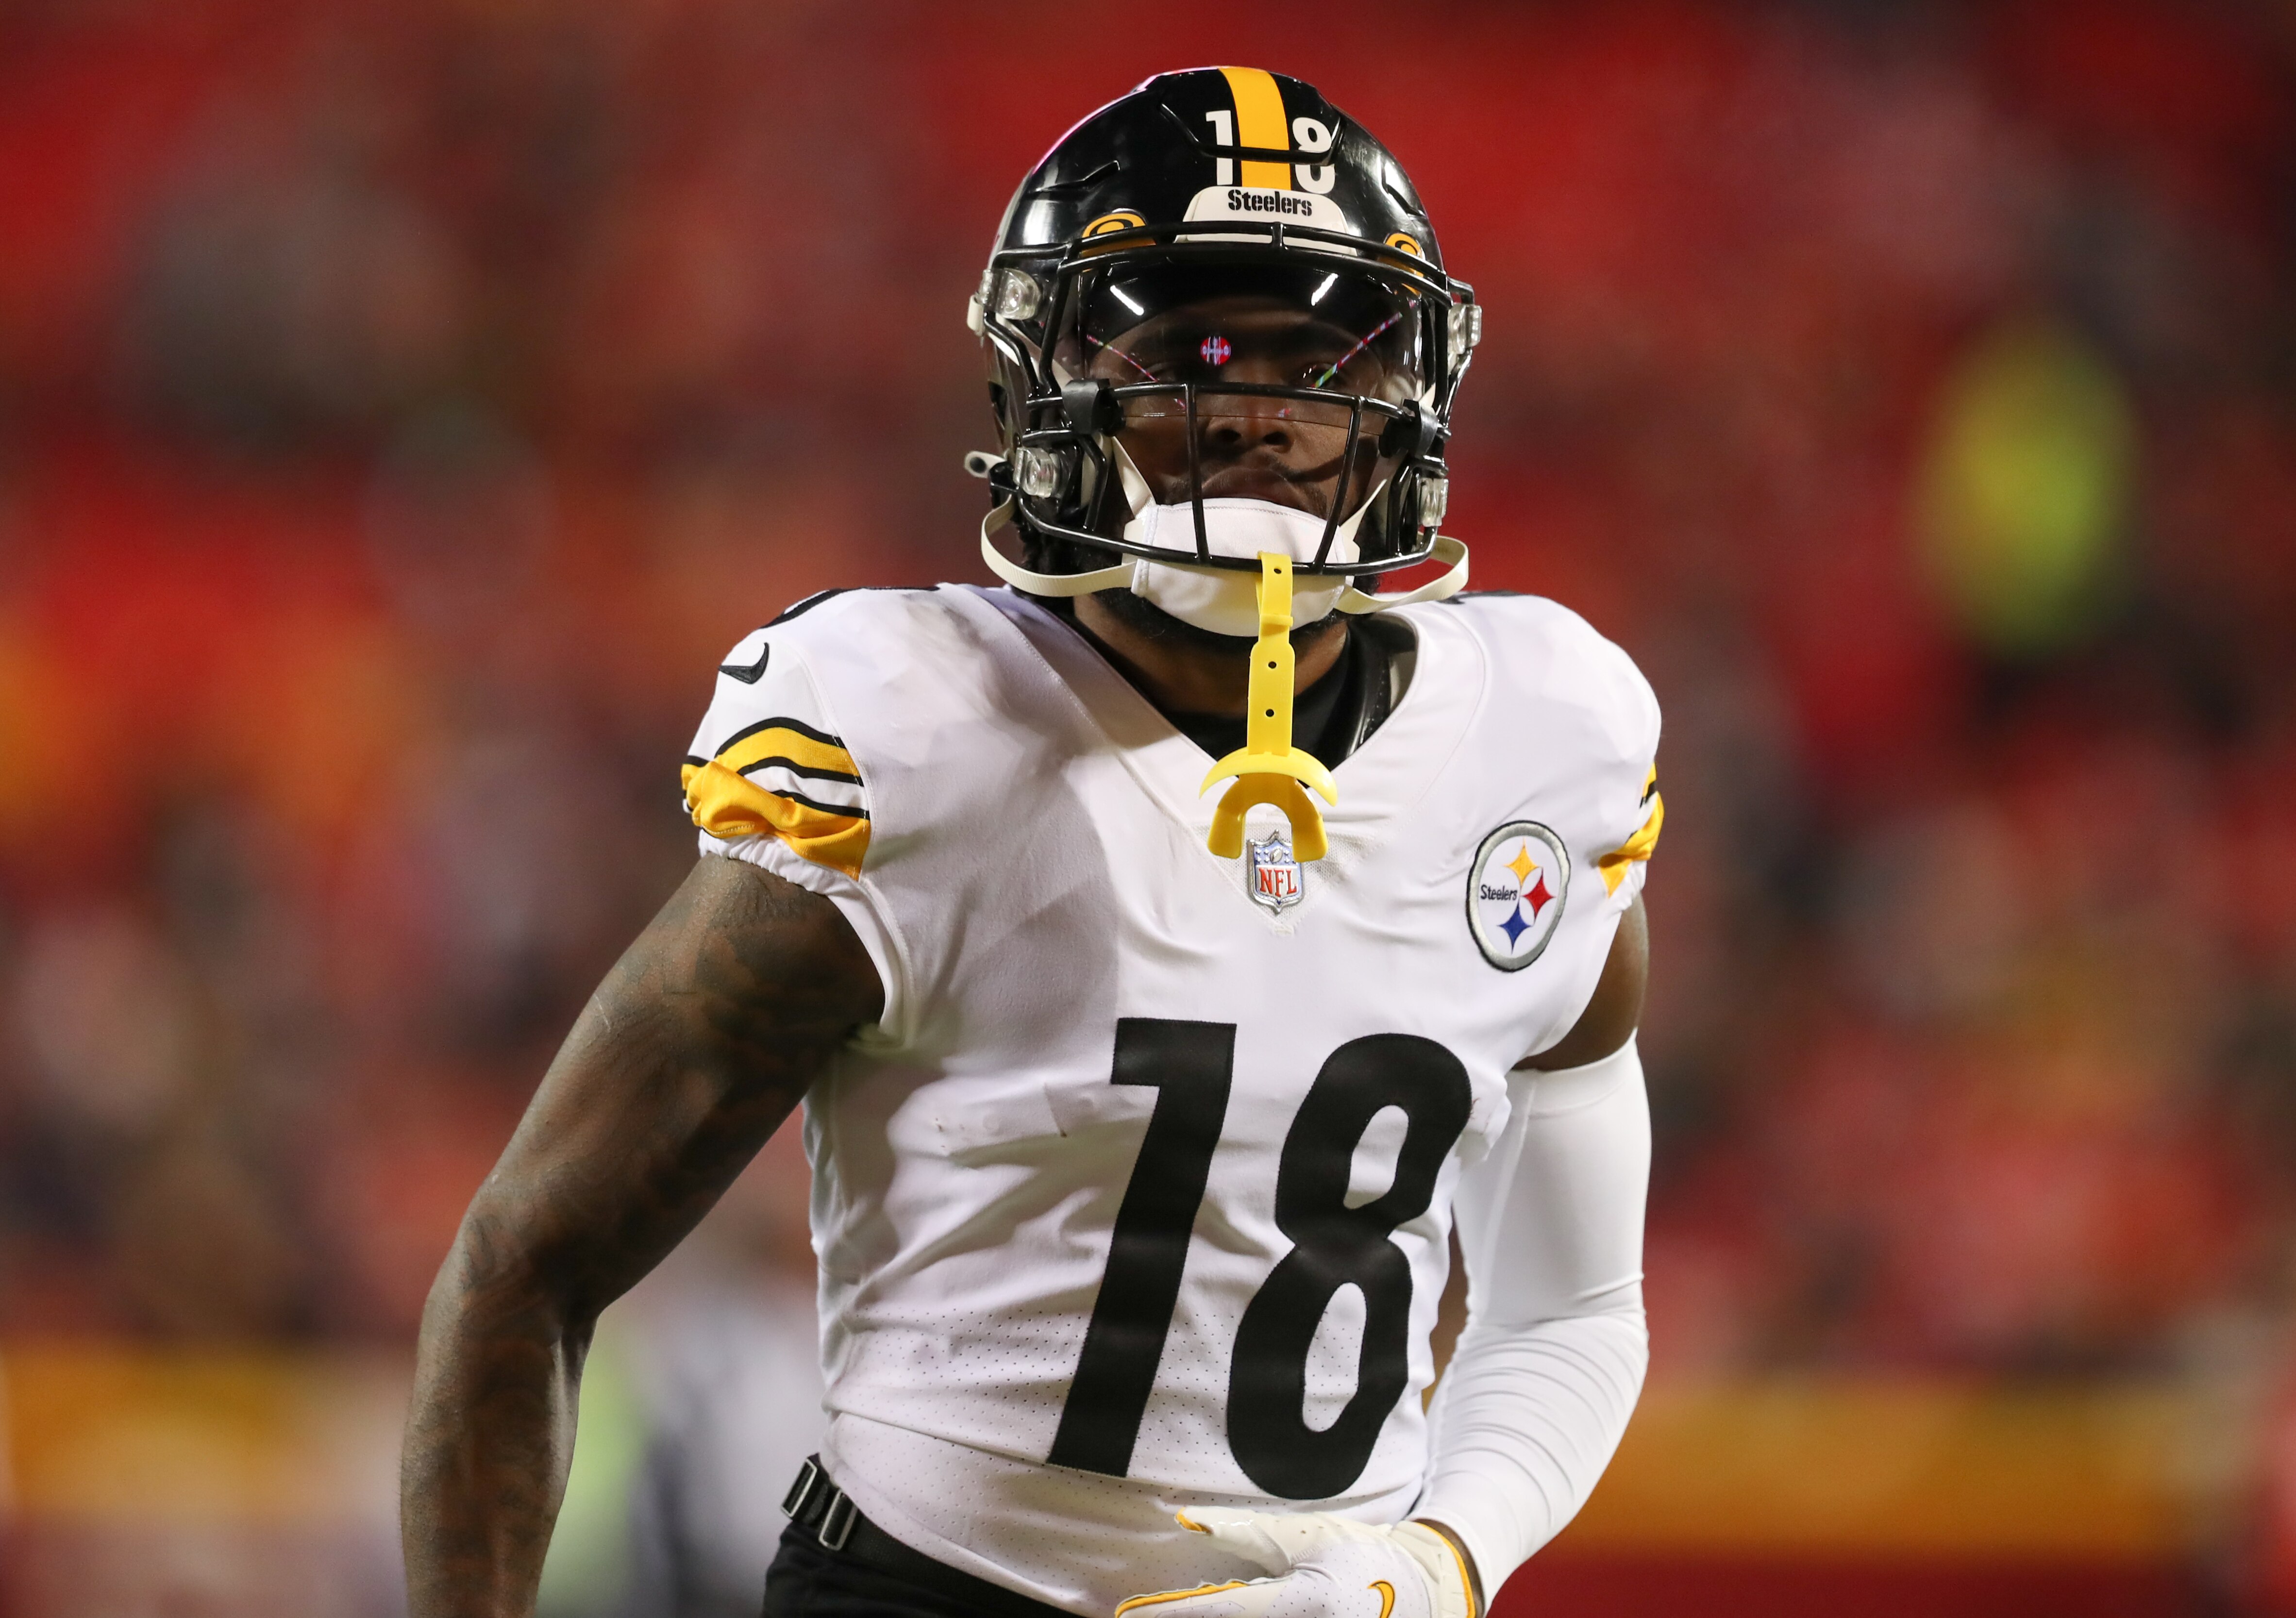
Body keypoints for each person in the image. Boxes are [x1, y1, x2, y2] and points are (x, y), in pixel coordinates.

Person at [402, 67, 1662, 1618]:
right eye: (1190, 348)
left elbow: (1572, 1313)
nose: (1255, 411)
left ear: (1405, 391)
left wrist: (1429, 1570)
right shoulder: (920, 737)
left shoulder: (1544, 745)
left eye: (1316, 355)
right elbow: (523, 1272)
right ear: (1049, 384)